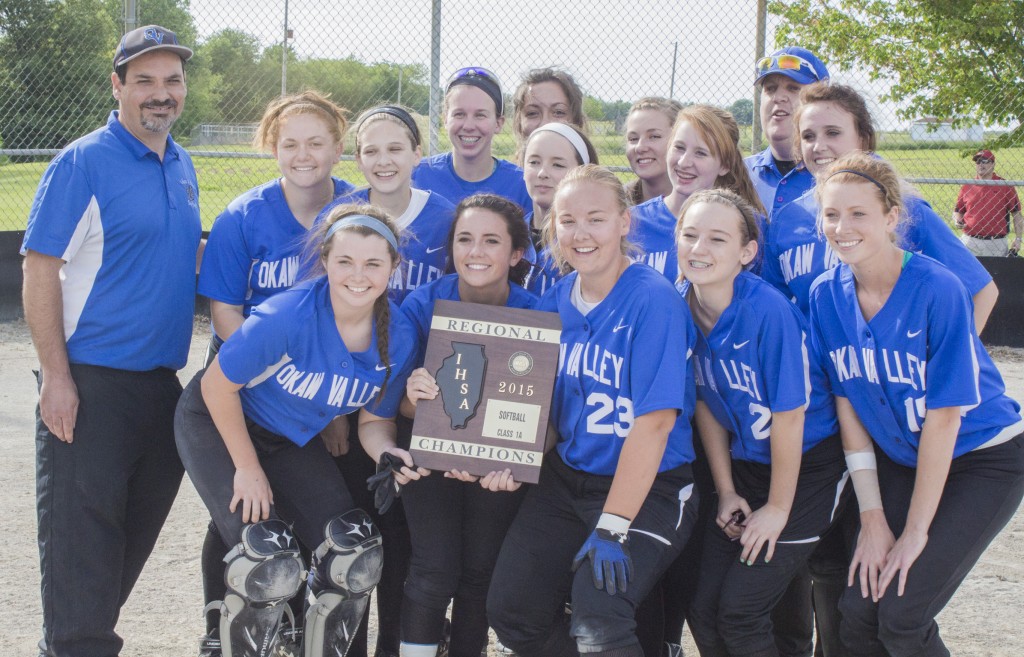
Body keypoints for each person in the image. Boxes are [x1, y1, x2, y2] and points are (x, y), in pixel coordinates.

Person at [21, 25, 201, 657]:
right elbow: (40, 267)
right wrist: (58, 378)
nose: (161, 93)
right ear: (118, 85)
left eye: (172, 80)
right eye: (145, 80)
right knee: (81, 550)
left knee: (124, 548)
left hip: (159, 387)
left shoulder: (181, 164)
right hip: (91, 382)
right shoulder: (84, 161)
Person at [175, 204, 420, 657]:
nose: (358, 275)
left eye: (373, 263)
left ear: (393, 268)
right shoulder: (288, 315)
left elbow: (374, 420)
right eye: (344, 261)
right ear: (324, 260)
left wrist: (386, 450)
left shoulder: (398, 335)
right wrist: (246, 469)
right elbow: (216, 388)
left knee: (354, 551)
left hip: (286, 439)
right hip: (218, 421)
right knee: (268, 560)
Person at [807, 152, 1024, 657]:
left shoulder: (937, 288)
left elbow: (945, 418)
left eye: (859, 213)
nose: (842, 227)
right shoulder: (824, 295)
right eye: (832, 214)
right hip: (905, 459)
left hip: (982, 458)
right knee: (858, 614)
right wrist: (875, 519)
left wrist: (915, 533)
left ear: (891, 217)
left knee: (903, 615)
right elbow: (849, 406)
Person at [487, 165, 700, 657]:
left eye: (595, 219)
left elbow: (656, 423)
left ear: (624, 223)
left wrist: (613, 523)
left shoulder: (654, 299)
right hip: (569, 477)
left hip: (652, 487)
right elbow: (546, 412)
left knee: (599, 620)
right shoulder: (557, 299)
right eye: (567, 221)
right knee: (512, 612)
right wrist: (506, 456)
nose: (580, 234)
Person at [195, 89, 355, 656]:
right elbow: (224, 309)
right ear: (272, 147)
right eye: (290, 143)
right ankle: (223, 632)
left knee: (303, 519)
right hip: (245, 386)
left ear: (338, 147)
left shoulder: (354, 213)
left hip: (314, 398)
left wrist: (330, 409)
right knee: (240, 515)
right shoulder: (244, 214)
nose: (303, 154)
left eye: (316, 142)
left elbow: (360, 319)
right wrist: (269, 384)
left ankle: (299, 631)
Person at [675, 189, 847, 657]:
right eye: (689, 235)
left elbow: (789, 416)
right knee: (704, 608)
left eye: (716, 238)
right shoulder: (680, 306)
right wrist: (728, 489)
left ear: (746, 253)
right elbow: (706, 403)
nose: (699, 249)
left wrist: (776, 508)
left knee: (741, 611)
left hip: (807, 468)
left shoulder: (766, 311)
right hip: (747, 465)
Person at [398, 193, 537, 657]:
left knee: (481, 571)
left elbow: (547, 417)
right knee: (434, 568)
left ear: (516, 254)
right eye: (464, 239)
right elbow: (396, 408)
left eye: (491, 240)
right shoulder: (424, 304)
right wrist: (414, 395)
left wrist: (513, 465)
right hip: (429, 457)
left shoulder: (538, 313)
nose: (475, 251)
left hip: (500, 470)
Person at [764, 82, 999, 330]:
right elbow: (773, 308)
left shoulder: (901, 208)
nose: (819, 145)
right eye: (808, 136)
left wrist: (954, 359)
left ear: (863, 139)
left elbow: (982, 291)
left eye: (833, 133)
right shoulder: (787, 218)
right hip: (821, 367)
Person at [631, 104, 765, 283]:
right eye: (679, 148)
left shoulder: (750, 227)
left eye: (700, 153)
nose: (684, 162)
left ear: (724, 165)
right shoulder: (632, 222)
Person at [339, 104, 457, 304]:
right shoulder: (339, 216)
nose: (383, 161)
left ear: (416, 154)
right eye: (371, 151)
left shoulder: (445, 218)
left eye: (395, 149)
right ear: (359, 160)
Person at [412, 67, 532, 211]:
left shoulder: (521, 184)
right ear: (445, 119)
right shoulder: (418, 176)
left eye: (480, 115)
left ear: (498, 123)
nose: (468, 126)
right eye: (459, 114)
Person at [745, 46, 830, 216]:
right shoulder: (739, 173)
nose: (778, 97)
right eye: (770, 88)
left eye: (793, 88)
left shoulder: (839, 175)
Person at [521, 121, 598, 295]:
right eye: (534, 162)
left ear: (582, 171)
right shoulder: (509, 234)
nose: (542, 173)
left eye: (557, 165)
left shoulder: (591, 241)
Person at [511, 67, 589, 165]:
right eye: (532, 113)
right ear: (519, 124)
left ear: (576, 122)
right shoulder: (507, 178)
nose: (545, 124)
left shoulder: (594, 180)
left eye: (558, 112)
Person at [953, 149, 1023, 257]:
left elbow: (1017, 214)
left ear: (993, 164)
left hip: (996, 243)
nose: (981, 164)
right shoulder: (968, 186)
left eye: (985, 161)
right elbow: (958, 211)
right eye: (978, 161)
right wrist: (957, 220)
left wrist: (1018, 239)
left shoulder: (1005, 186)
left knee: (996, 274)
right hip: (970, 241)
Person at [624, 97, 684, 206]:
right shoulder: (617, 204)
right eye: (633, 139)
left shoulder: (707, 207)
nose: (640, 147)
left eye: (654, 136)